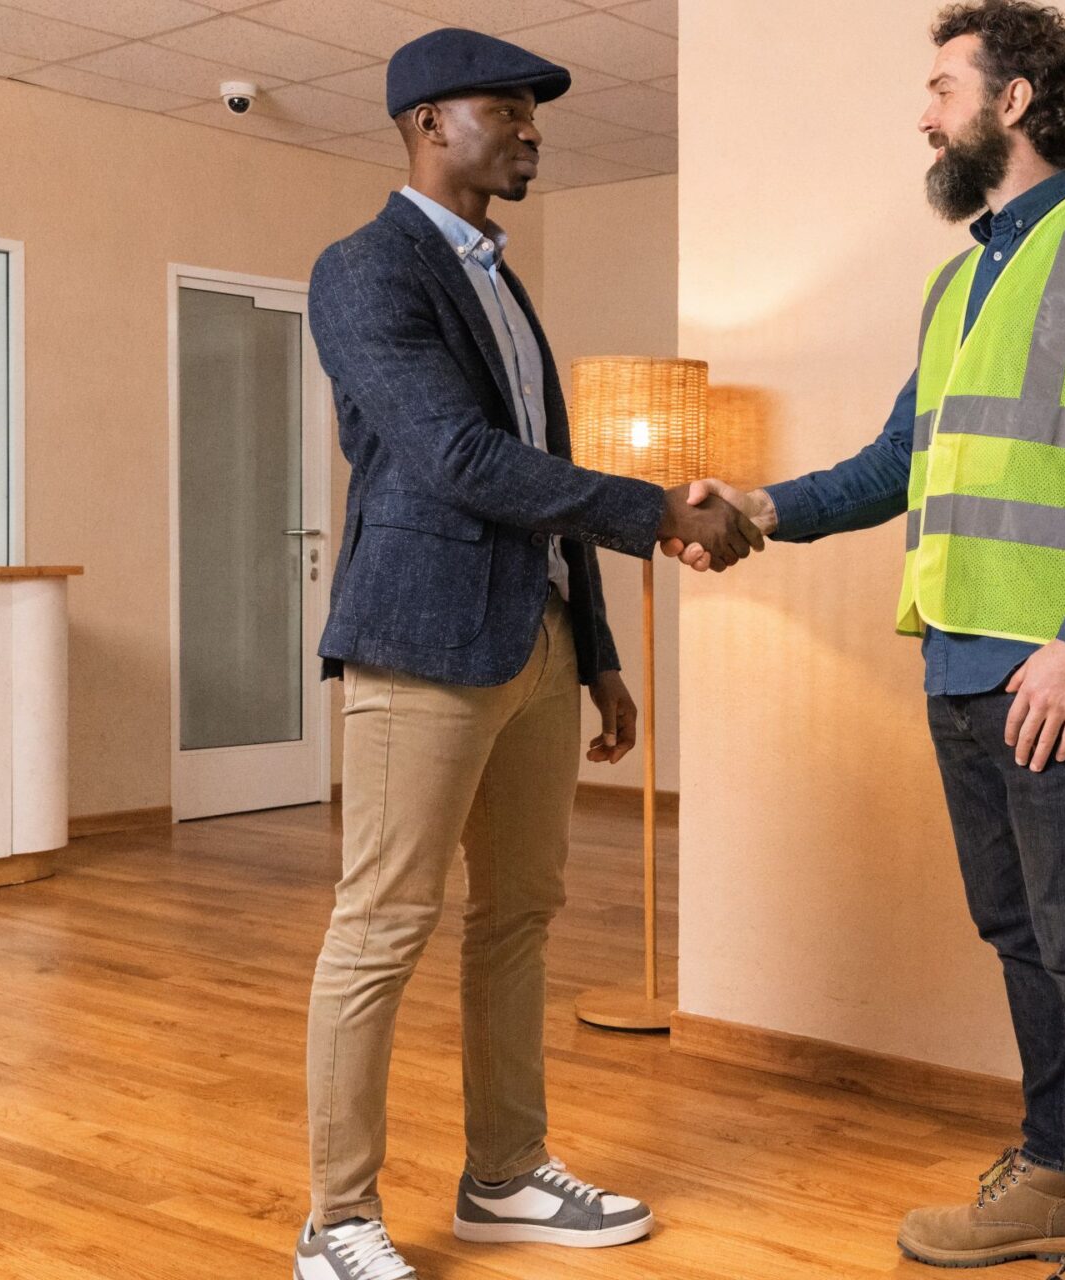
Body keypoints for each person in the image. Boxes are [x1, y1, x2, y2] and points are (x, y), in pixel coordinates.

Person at [675, 4, 1065, 1277]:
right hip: (957, 656)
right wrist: (762, 508)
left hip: (1054, 667)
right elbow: (898, 463)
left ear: (1013, 102)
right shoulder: (957, 278)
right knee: (1018, 931)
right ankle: (1050, 1166)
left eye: (940, 87)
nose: (922, 113)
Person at [295, 26, 761, 1280]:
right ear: (426, 122)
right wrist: (664, 510)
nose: (529, 129)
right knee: (382, 924)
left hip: (539, 644)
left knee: (520, 919)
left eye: (531, 112)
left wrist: (599, 646)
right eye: (505, 110)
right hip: (421, 641)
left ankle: (503, 1174)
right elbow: (459, 460)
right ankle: (335, 1218)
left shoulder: (502, 281)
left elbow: (538, 488)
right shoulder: (362, 270)